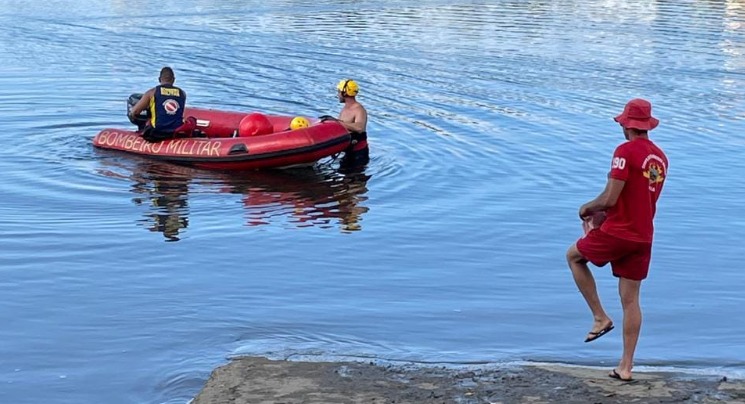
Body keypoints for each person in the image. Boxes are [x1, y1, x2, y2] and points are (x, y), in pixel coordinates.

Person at [565, 98, 669, 382]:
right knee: (631, 300)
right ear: (647, 125)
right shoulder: (660, 157)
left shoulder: (624, 151)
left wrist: (587, 209)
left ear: (627, 125)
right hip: (643, 235)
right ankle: (625, 367)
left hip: (619, 232)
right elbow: (637, 197)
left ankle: (600, 316)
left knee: (574, 256)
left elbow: (610, 197)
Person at [128, 67, 195, 142]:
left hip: (156, 133)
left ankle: (141, 131)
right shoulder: (182, 93)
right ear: (173, 80)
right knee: (192, 120)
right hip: (175, 132)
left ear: (159, 79)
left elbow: (135, 112)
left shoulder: (152, 92)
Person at [324, 79, 369, 168]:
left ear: (345, 93)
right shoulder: (345, 108)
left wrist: (337, 122)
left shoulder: (359, 109)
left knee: (354, 179)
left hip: (358, 154)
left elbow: (359, 127)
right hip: (347, 152)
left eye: (339, 92)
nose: (338, 95)